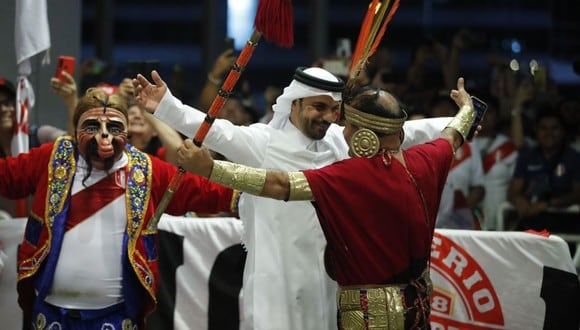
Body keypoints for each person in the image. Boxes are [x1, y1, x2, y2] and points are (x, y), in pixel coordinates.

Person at [133, 67, 452, 330]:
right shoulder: (262, 142)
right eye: (318, 107)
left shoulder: (341, 144)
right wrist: (166, 106)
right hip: (276, 279)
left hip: (327, 283)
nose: (327, 117)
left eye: (333, 109)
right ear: (295, 104)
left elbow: (411, 132)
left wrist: (462, 120)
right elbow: (215, 131)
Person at [0, 88, 237, 329]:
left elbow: (209, 193)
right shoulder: (52, 158)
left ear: (126, 131)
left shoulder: (147, 170)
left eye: (114, 128)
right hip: (50, 315)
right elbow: (5, 177)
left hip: (116, 318)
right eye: (92, 126)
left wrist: (256, 193)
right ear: (75, 130)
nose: (104, 136)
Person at [507, 109, 580, 232]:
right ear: (536, 131)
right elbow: (513, 191)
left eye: (554, 128)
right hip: (531, 223)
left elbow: (578, 194)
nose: (549, 133)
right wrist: (518, 200)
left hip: (564, 225)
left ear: (563, 131)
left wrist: (549, 203)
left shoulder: (574, 158)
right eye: (543, 128)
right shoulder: (527, 157)